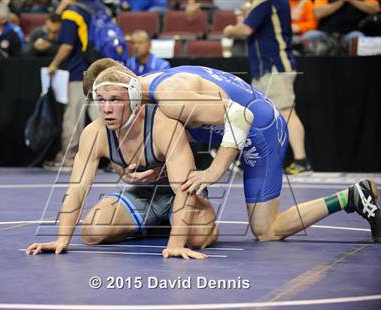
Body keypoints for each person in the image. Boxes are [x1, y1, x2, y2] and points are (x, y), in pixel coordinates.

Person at [81, 59, 381, 243]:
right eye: (100, 100)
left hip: (257, 130)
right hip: (229, 128)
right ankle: (354, 196)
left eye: (110, 99)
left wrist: (214, 171)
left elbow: (240, 117)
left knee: (267, 230)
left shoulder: (169, 97)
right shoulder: (146, 99)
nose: (106, 108)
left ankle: (351, 197)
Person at [26, 65, 218, 259]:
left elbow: (184, 188)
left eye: (115, 100)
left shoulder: (163, 125)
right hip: (143, 193)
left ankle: (193, 212)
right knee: (92, 233)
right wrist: (62, 239)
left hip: (179, 190)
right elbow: (77, 187)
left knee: (198, 238)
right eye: (101, 100)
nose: (107, 109)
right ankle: (155, 222)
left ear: (134, 99)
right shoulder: (94, 133)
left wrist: (176, 244)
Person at [223, 0, 311, 175]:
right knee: (256, 114)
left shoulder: (267, 2)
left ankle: (302, 161)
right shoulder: (261, 4)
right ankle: (249, 160)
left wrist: (229, 30)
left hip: (275, 65)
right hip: (264, 67)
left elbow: (245, 29)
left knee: (286, 112)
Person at [44, 0, 104, 170]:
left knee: (73, 117)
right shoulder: (98, 8)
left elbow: (67, 46)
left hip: (80, 72)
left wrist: (54, 64)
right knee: (103, 115)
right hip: (99, 69)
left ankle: (68, 158)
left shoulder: (72, 13)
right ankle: (122, 155)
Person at [312, 0, 380, 48]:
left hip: (351, 33)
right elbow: (318, 13)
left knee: (358, 38)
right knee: (310, 36)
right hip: (326, 33)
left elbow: (375, 9)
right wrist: (341, 2)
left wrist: (352, 1)